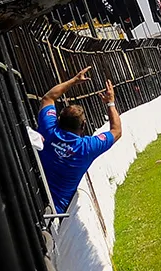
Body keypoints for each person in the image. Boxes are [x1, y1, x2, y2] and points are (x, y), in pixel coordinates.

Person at [37, 66, 121, 213]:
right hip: (54, 213)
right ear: (83, 126)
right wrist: (110, 103)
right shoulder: (86, 148)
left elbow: (48, 98)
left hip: (29, 193)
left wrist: (74, 80)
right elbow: (116, 131)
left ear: (58, 120)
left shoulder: (49, 130)